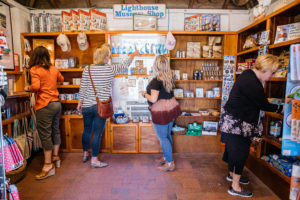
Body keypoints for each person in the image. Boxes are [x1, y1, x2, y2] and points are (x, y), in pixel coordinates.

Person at [219, 54, 283, 197]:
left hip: (234, 121)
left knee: (232, 151)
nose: (272, 76)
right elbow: (263, 104)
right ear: (265, 69)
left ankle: (232, 175)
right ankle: (235, 187)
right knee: (239, 153)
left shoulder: (248, 74)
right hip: (239, 123)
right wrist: (280, 108)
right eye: (272, 73)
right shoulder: (252, 82)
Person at [77, 44, 140, 168]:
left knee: (87, 130)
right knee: (97, 134)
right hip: (101, 107)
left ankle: (85, 154)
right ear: (106, 57)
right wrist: (132, 55)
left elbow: (83, 87)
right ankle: (94, 161)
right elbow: (124, 66)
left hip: (87, 106)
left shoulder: (87, 69)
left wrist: (80, 102)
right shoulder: (110, 69)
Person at [24, 46, 64, 180]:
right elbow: (62, 79)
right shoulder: (53, 68)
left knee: (45, 135)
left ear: (34, 57)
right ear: (47, 56)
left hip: (44, 105)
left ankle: (48, 165)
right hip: (56, 104)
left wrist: (27, 88)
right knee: (55, 130)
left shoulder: (34, 69)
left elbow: (35, 87)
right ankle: (55, 157)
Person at [141, 55, 181, 172]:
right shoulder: (170, 77)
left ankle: (170, 163)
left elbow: (153, 99)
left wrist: (144, 93)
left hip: (160, 111)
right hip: (171, 108)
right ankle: (167, 156)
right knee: (167, 135)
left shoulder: (156, 81)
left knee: (163, 137)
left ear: (156, 65)